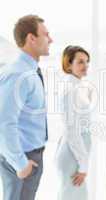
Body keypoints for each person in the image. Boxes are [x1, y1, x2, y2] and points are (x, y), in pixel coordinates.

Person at [0, 15, 52, 200]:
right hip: (22, 159)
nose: (50, 39)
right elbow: (4, 123)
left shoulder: (29, 72)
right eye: (46, 35)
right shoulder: (17, 74)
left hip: (31, 157)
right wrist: (20, 164)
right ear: (31, 38)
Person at [55, 45, 94, 200]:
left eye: (87, 62)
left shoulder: (78, 86)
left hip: (75, 153)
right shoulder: (71, 89)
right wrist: (83, 165)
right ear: (68, 64)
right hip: (73, 156)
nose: (85, 66)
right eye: (80, 62)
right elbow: (72, 130)